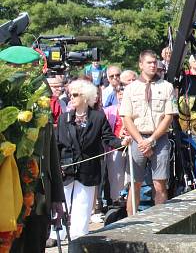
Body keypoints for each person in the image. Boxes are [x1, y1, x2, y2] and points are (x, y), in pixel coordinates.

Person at [0, 46, 66, 253]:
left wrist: (57, 196)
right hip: (8, 199)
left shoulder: (40, 106)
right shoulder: (4, 107)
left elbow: (51, 152)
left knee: (36, 246)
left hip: (39, 198)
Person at [56, 79, 129, 238]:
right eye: (70, 94)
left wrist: (121, 142)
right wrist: (57, 165)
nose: (71, 98)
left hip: (88, 168)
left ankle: (78, 236)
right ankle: (57, 236)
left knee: (83, 204)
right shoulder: (64, 118)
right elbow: (58, 144)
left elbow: (108, 139)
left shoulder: (97, 117)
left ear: (85, 97)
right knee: (63, 202)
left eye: (75, 95)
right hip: (66, 167)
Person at [119, 50, 178, 215]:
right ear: (141, 65)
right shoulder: (131, 89)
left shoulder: (167, 87)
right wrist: (141, 141)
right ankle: (132, 222)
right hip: (137, 138)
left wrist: (152, 139)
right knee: (135, 183)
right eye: (149, 62)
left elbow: (168, 116)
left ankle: (160, 222)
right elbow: (126, 118)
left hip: (159, 138)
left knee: (160, 183)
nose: (153, 65)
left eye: (155, 62)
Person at [103, 69, 136, 204]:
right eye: (120, 94)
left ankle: (130, 201)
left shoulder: (136, 109)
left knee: (131, 178)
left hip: (133, 146)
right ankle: (116, 202)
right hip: (115, 148)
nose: (122, 97)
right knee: (116, 177)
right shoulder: (109, 111)